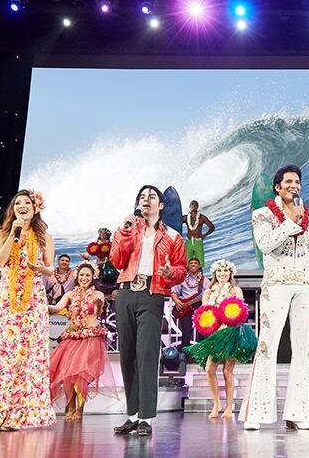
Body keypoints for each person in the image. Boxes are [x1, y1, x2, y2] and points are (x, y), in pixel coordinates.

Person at [239, 164, 309, 431]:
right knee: (267, 345)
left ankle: (298, 413)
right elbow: (265, 244)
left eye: (297, 182)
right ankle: (257, 413)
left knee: (303, 348)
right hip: (276, 283)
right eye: (288, 182)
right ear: (277, 187)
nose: (293, 186)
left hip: (304, 286)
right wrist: (290, 223)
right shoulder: (263, 215)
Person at [0, 189, 57, 431]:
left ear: (35, 209)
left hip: (33, 299)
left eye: (27, 203)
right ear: (12, 209)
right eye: (18, 203)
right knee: (3, 352)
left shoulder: (44, 236)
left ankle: (21, 414)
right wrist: (14, 234)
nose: (22, 206)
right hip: (8, 298)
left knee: (29, 353)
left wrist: (40, 269)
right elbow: (0, 261)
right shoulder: (2, 233)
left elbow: (51, 269)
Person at [111, 185, 187, 437]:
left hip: (152, 294)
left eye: (151, 196)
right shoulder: (127, 229)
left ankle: (146, 418)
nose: (146, 200)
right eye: (142, 197)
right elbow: (117, 260)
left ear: (161, 205)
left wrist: (170, 272)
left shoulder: (173, 236)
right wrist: (124, 231)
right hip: (126, 292)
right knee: (127, 356)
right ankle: (132, 415)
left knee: (146, 354)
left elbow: (181, 270)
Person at [183, 259, 257, 419]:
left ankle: (229, 406)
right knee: (209, 369)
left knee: (227, 371)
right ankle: (217, 403)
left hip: (231, 333)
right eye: (219, 271)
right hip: (215, 336)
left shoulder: (236, 290)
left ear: (231, 273)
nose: (222, 274)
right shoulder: (208, 293)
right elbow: (204, 314)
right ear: (215, 274)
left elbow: (241, 312)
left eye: (225, 271)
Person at [48, 262, 111, 421]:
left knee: (80, 376)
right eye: (82, 275)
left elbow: (99, 309)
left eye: (87, 275)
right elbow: (57, 308)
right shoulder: (70, 295)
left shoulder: (98, 294)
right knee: (67, 376)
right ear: (77, 276)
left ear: (93, 277)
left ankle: (79, 411)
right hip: (73, 338)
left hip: (90, 339)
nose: (84, 278)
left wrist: (98, 306)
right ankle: (70, 408)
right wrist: (41, 305)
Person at [171, 258, 210, 348]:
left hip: (200, 307)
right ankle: (184, 353)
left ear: (199, 266)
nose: (193, 264)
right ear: (188, 266)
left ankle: (202, 352)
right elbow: (174, 292)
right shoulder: (182, 279)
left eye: (195, 263)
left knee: (202, 331)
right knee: (186, 331)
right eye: (191, 263)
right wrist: (176, 301)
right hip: (185, 308)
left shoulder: (205, 280)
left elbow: (208, 293)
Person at [183, 200, 215, 267]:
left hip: (198, 242)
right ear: (189, 206)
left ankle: (200, 274)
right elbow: (176, 222)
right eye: (192, 204)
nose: (193, 206)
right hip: (189, 242)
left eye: (195, 204)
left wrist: (205, 235)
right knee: (187, 263)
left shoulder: (202, 217)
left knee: (200, 263)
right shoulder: (185, 217)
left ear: (197, 206)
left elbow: (212, 227)